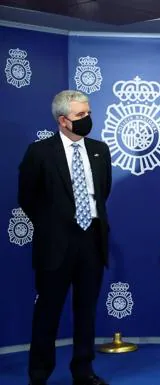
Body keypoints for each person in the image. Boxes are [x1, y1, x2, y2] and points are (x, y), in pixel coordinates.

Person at [18, 90, 112, 385]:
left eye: (88, 112)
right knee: (48, 311)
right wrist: (53, 226)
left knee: (86, 311)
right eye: (80, 115)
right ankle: (39, 374)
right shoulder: (39, 152)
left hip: (92, 241)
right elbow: (27, 198)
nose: (88, 119)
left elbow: (103, 192)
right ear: (63, 121)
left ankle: (83, 371)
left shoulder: (100, 150)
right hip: (55, 244)